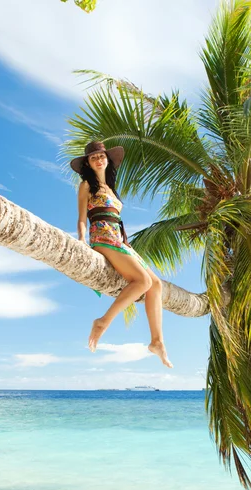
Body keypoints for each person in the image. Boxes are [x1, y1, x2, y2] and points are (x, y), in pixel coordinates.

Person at [70, 141, 173, 368]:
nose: (98, 159)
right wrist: (80, 239)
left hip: (120, 240)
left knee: (155, 285)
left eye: (101, 156)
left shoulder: (111, 189)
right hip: (102, 237)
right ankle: (103, 322)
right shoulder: (87, 185)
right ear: (88, 163)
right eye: (93, 157)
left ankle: (157, 342)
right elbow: (81, 217)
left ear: (107, 159)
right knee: (143, 281)